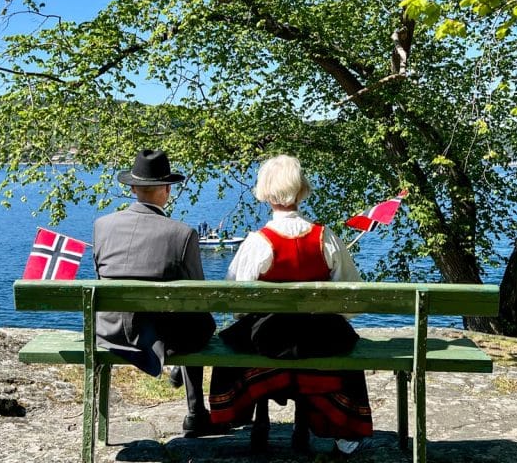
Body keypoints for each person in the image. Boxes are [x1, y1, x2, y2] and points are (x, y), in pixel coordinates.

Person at [208, 155, 373, 455]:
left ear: (266, 193)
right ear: (300, 191)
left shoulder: (257, 243)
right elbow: (352, 298)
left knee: (232, 340)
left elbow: (237, 301)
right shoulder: (326, 239)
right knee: (345, 343)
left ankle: (237, 417)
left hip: (269, 341)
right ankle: (343, 431)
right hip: (320, 339)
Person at [92, 149, 224, 437]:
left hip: (109, 330)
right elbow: (197, 296)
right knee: (202, 322)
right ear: (166, 190)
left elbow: (100, 277)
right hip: (159, 335)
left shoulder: (102, 226)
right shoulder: (182, 234)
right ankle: (195, 412)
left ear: (133, 188)